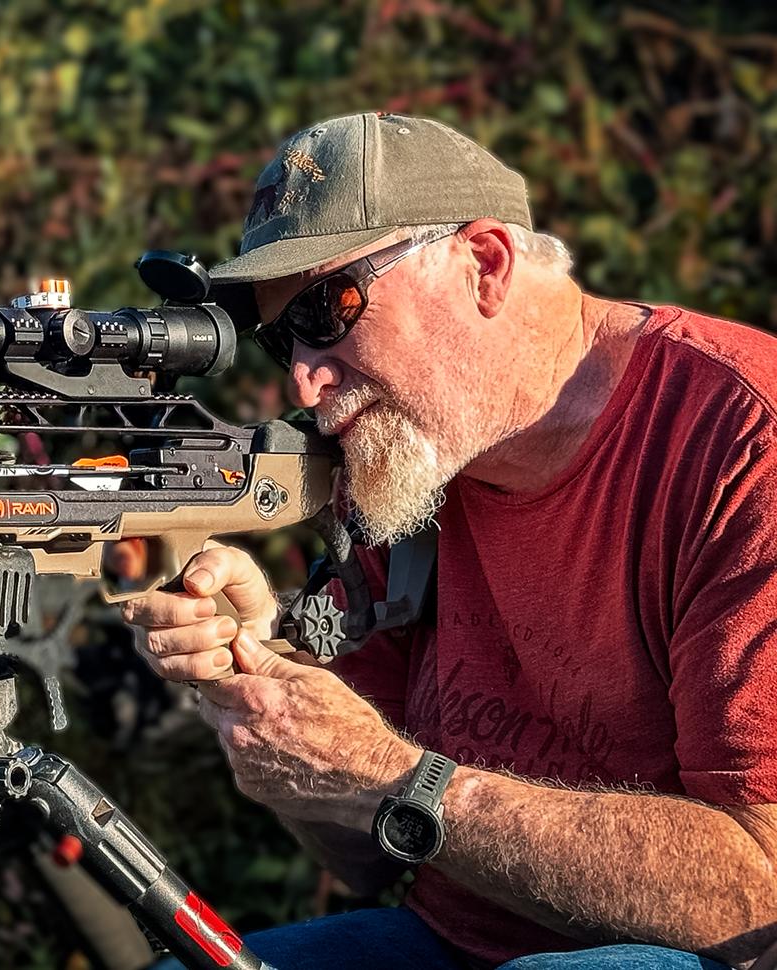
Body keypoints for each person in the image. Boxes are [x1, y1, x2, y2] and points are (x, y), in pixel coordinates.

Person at [120, 112, 777, 969]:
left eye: (328, 308)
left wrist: (394, 779)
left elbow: (759, 887)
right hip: (446, 941)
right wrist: (255, 673)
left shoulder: (739, 440)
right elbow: (358, 855)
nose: (306, 378)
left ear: (486, 263)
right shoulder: (406, 463)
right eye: (285, 337)